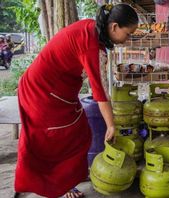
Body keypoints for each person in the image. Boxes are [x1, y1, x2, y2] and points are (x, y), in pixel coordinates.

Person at [14, 3, 138, 198]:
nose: (128, 39)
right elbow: (100, 92)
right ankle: (54, 186)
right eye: (128, 34)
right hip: (42, 91)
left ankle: (66, 182)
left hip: (59, 91)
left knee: (79, 135)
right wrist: (111, 125)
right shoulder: (91, 44)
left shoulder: (93, 30)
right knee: (55, 140)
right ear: (114, 27)